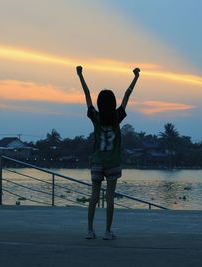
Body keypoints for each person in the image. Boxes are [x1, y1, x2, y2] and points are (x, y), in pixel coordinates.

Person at [76, 65, 140, 240]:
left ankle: (90, 230)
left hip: (97, 162)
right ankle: (107, 231)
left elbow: (87, 94)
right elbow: (127, 95)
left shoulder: (95, 118)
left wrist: (80, 75)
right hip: (113, 163)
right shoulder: (117, 117)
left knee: (94, 196)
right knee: (110, 198)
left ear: (99, 103)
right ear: (112, 103)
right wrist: (136, 77)